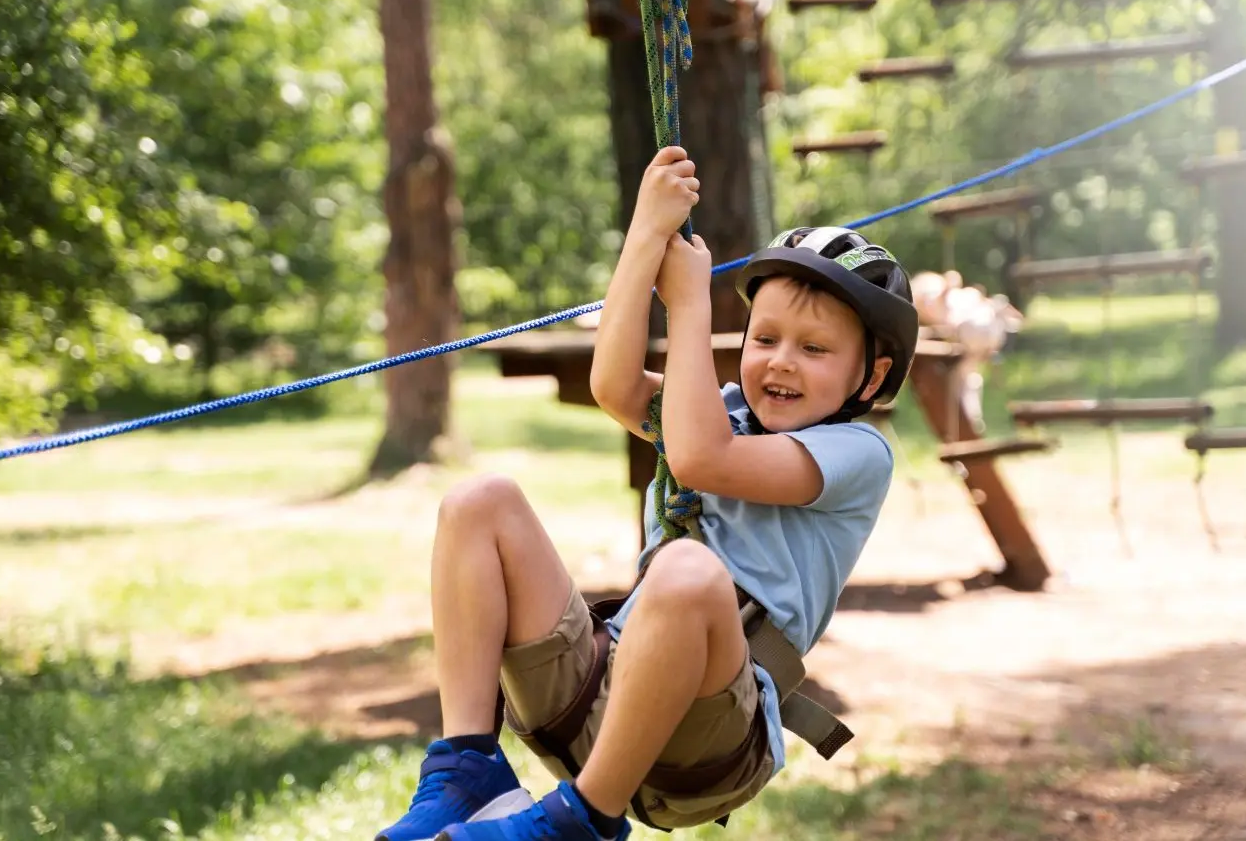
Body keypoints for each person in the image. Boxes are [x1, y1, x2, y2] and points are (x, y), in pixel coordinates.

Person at [375, 145, 919, 841]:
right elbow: (616, 386)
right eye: (766, 338)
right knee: (479, 502)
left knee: (688, 571)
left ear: (870, 380)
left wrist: (690, 304)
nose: (781, 361)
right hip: (601, 694)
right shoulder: (722, 411)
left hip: (707, 744)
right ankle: (467, 765)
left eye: (814, 350)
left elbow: (698, 457)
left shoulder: (857, 455)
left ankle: (583, 823)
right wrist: (645, 237)